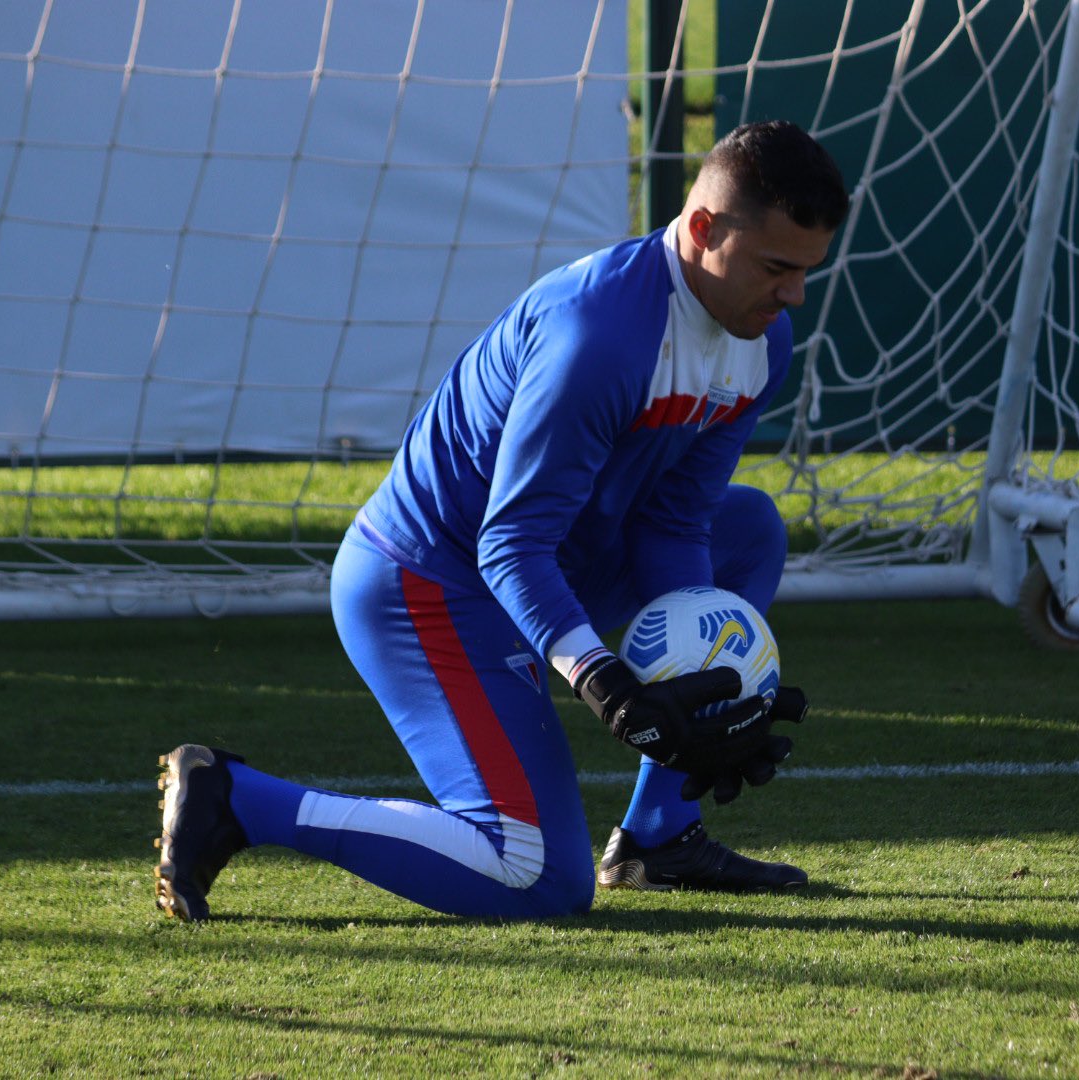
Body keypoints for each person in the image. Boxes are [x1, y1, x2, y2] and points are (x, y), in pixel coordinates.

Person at [153, 120, 850, 921]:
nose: (794, 295)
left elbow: (675, 522)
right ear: (701, 229)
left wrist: (698, 686)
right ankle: (240, 798)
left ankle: (660, 834)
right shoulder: (601, 336)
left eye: (805, 272)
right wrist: (611, 685)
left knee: (748, 529)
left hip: (551, 559)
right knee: (539, 877)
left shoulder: (763, 339)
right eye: (776, 268)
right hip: (427, 581)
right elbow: (509, 543)